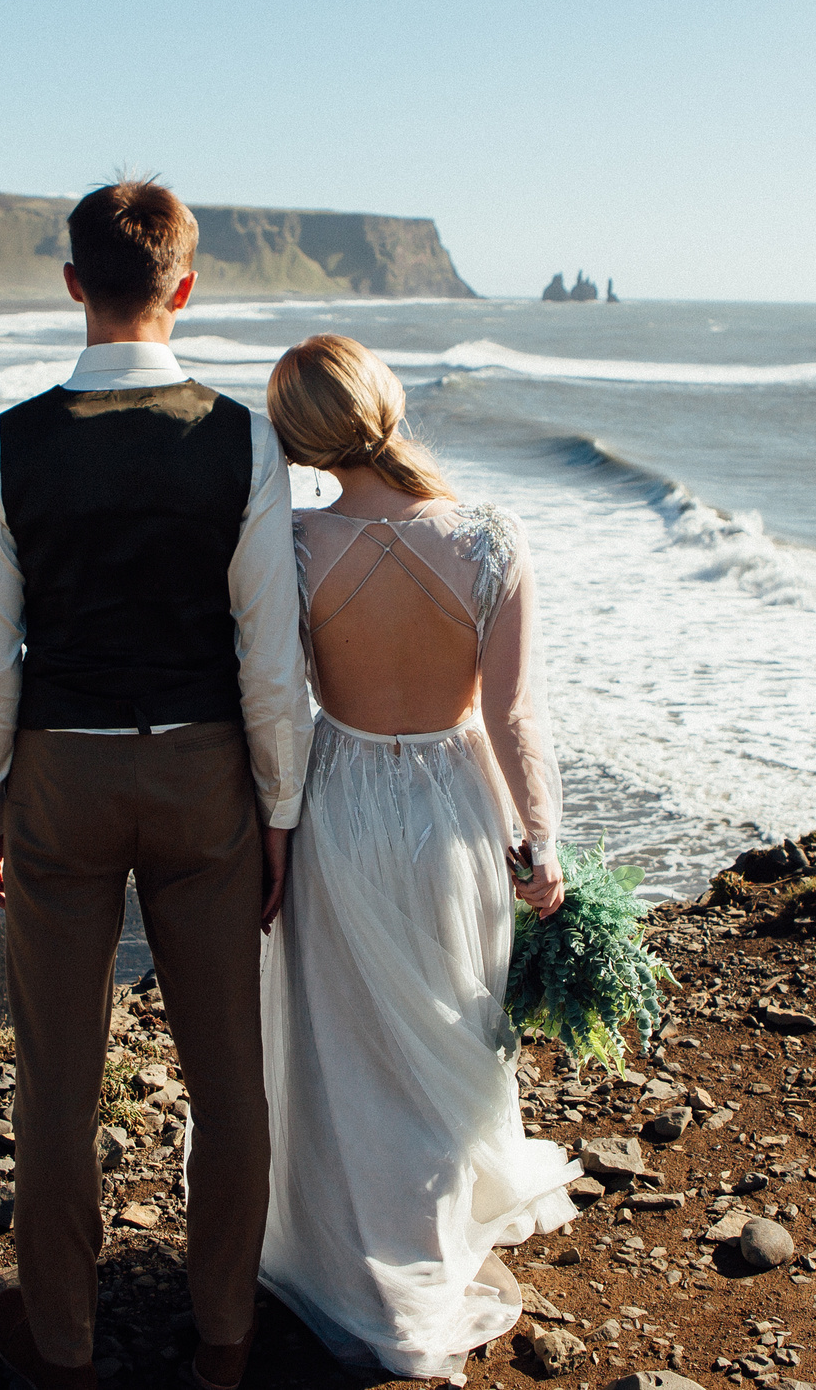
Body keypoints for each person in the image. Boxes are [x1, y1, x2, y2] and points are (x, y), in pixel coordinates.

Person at [0, 179, 311, 1390]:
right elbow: (270, 651)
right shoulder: (243, 439)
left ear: (72, 287)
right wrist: (279, 809)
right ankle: (223, 1339)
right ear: (185, 288)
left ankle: (60, 1344)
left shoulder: (5, 443)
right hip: (205, 766)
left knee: (59, 1074)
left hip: (63, 768)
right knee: (226, 1074)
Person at [257, 334, 581, 1382]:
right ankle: (430, 1271)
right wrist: (540, 839)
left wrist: (264, 830)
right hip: (454, 804)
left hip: (339, 797)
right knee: (453, 1029)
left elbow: (268, 703)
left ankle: (363, 1279)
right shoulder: (490, 535)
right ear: (386, 399)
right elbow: (515, 711)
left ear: (295, 438)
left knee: (346, 1046)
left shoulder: (287, 544)